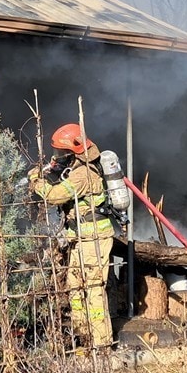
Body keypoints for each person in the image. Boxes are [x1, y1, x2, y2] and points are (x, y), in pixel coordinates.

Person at [28, 122, 117, 350]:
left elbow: (55, 196)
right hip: (80, 239)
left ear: (74, 151)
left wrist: (36, 180)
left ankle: (101, 346)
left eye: (62, 152)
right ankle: (83, 342)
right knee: (75, 288)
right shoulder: (76, 169)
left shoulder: (83, 174)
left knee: (93, 290)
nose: (58, 156)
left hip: (94, 240)